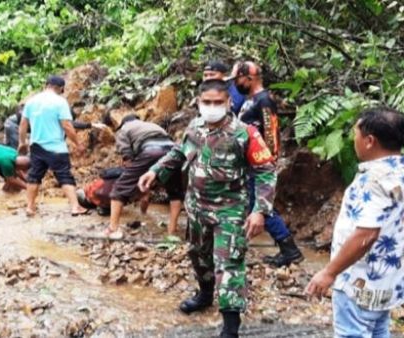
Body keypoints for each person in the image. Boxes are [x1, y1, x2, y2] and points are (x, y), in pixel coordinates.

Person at [138, 79, 276, 337]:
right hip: (197, 208)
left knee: (228, 264)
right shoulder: (194, 127)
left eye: (218, 102)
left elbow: (266, 172)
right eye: (207, 102)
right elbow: (180, 152)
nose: (212, 107)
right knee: (198, 256)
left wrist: (260, 210)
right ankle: (204, 295)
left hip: (230, 211)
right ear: (199, 102)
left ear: (228, 103)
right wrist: (155, 171)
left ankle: (230, 327)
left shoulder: (244, 133)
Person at [306, 108, 404, 338]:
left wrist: (329, 273)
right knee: (379, 331)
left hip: (358, 282)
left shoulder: (372, 180)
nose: (354, 140)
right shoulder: (399, 171)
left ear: (370, 141)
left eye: (356, 134)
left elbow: (366, 235)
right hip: (388, 281)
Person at [234, 61, 303, 267]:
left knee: (262, 207)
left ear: (249, 78)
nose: (236, 84)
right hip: (249, 162)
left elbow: (271, 131)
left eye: (238, 79)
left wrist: (269, 160)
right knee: (256, 204)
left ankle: (290, 250)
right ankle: (286, 249)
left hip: (260, 163)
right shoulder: (250, 100)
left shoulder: (264, 100)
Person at [102, 114, 184, 239]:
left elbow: (127, 157)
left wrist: (132, 179)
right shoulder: (151, 125)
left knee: (120, 187)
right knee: (175, 191)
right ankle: (172, 230)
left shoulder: (124, 129)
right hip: (173, 152)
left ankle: (113, 228)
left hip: (151, 150)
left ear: (123, 123)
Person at [18, 75, 89, 217]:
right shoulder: (60, 102)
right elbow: (67, 126)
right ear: (61, 88)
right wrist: (78, 144)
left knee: (34, 176)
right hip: (56, 147)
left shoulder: (31, 102)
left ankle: (30, 207)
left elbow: (23, 124)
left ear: (46, 85)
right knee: (64, 176)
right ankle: (75, 207)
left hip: (36, 146)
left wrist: (22, 142)